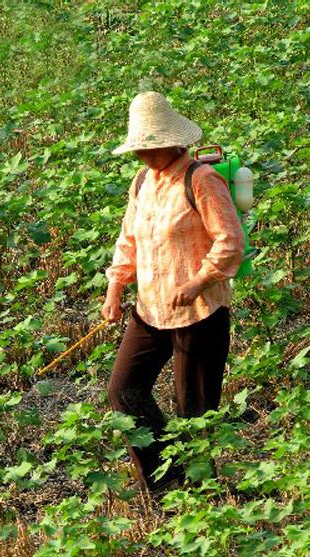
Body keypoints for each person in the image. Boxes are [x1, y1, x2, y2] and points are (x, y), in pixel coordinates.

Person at [102, 91, 245, 493]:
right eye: (139, 148)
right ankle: (165, 476)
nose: (142, 155)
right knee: (124, 391)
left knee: (194, 412)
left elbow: (230, 241)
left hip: (199, 312)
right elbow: (129, 238)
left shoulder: (201, 180)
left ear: (171, 141)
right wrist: (116, 285)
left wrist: (198, 281)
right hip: (149, 309)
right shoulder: (143, 180)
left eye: (149, 147)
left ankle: (201, 495)